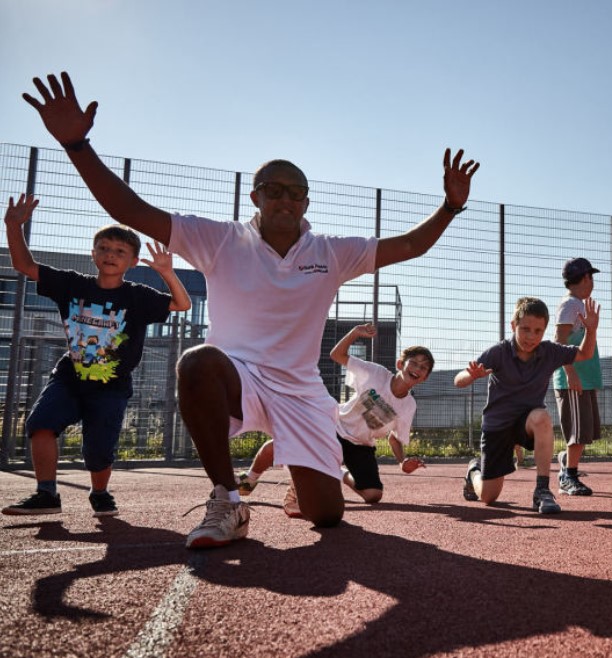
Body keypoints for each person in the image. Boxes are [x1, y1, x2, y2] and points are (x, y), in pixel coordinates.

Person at [22, 72, 479, 549]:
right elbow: (132, 210)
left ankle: (303, 491)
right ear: (255, 196)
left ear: (306, 202)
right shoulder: (221, 240)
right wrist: (77, 144)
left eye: (294, 192)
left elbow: (409, 245)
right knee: (197, 360)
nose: (284, 198)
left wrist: (449, 206)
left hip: (302, 391)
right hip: (238, 375)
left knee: (328, 516)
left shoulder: (331, 251)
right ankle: (228, 501)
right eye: (273, 188)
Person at [1, 193, 191, 517]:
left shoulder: (138, 296)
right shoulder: (72, 285)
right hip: (70, 375)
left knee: (99, 450)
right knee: (40, 424)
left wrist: (167, 273)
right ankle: (46, 493)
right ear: (93, 254)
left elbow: (182, 304)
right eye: (103, 248)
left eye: (119, 251)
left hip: (111, 385)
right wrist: (12, 226)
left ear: (132, 261)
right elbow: (23, 265)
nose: (109, 255)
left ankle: (99, 492)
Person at [237, 323, 432, 508]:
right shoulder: (375, 373)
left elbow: (395, 437)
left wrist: (402, 462)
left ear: (425, 378)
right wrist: (355, 333)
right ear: (400, 364)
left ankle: (335, 471)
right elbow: (337, 355)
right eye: (413, 363)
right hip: (334, 427)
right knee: (284, 442)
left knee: (373, 495)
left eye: (423, 368)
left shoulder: (408, 405)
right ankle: (251, 478)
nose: (417, 368)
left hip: (361, 445)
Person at [453, 296, 600, 514]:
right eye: (525, 329)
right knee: (488, 497)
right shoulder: (499, 352)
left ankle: (542, 491)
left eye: (538, 331)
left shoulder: (550, 351)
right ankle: (474, 470)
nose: (531, 337)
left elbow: (585, 353)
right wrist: (471, 376)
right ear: (513, 326)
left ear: (545, 331)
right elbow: (459, 380)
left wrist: (591, 330)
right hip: (497, 426)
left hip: (526, 422)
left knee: (542, 418)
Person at [553, 258, 602, 496]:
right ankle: (567, 477)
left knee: (584, 432)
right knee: (577, 432)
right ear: (584, 278)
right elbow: (559, 342)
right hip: (573, 379)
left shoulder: (579, 305)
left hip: (585, 377)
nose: (592, 282)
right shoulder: (570, 305)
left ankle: (566, 460)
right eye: (590, 276)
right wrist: (570, 373)